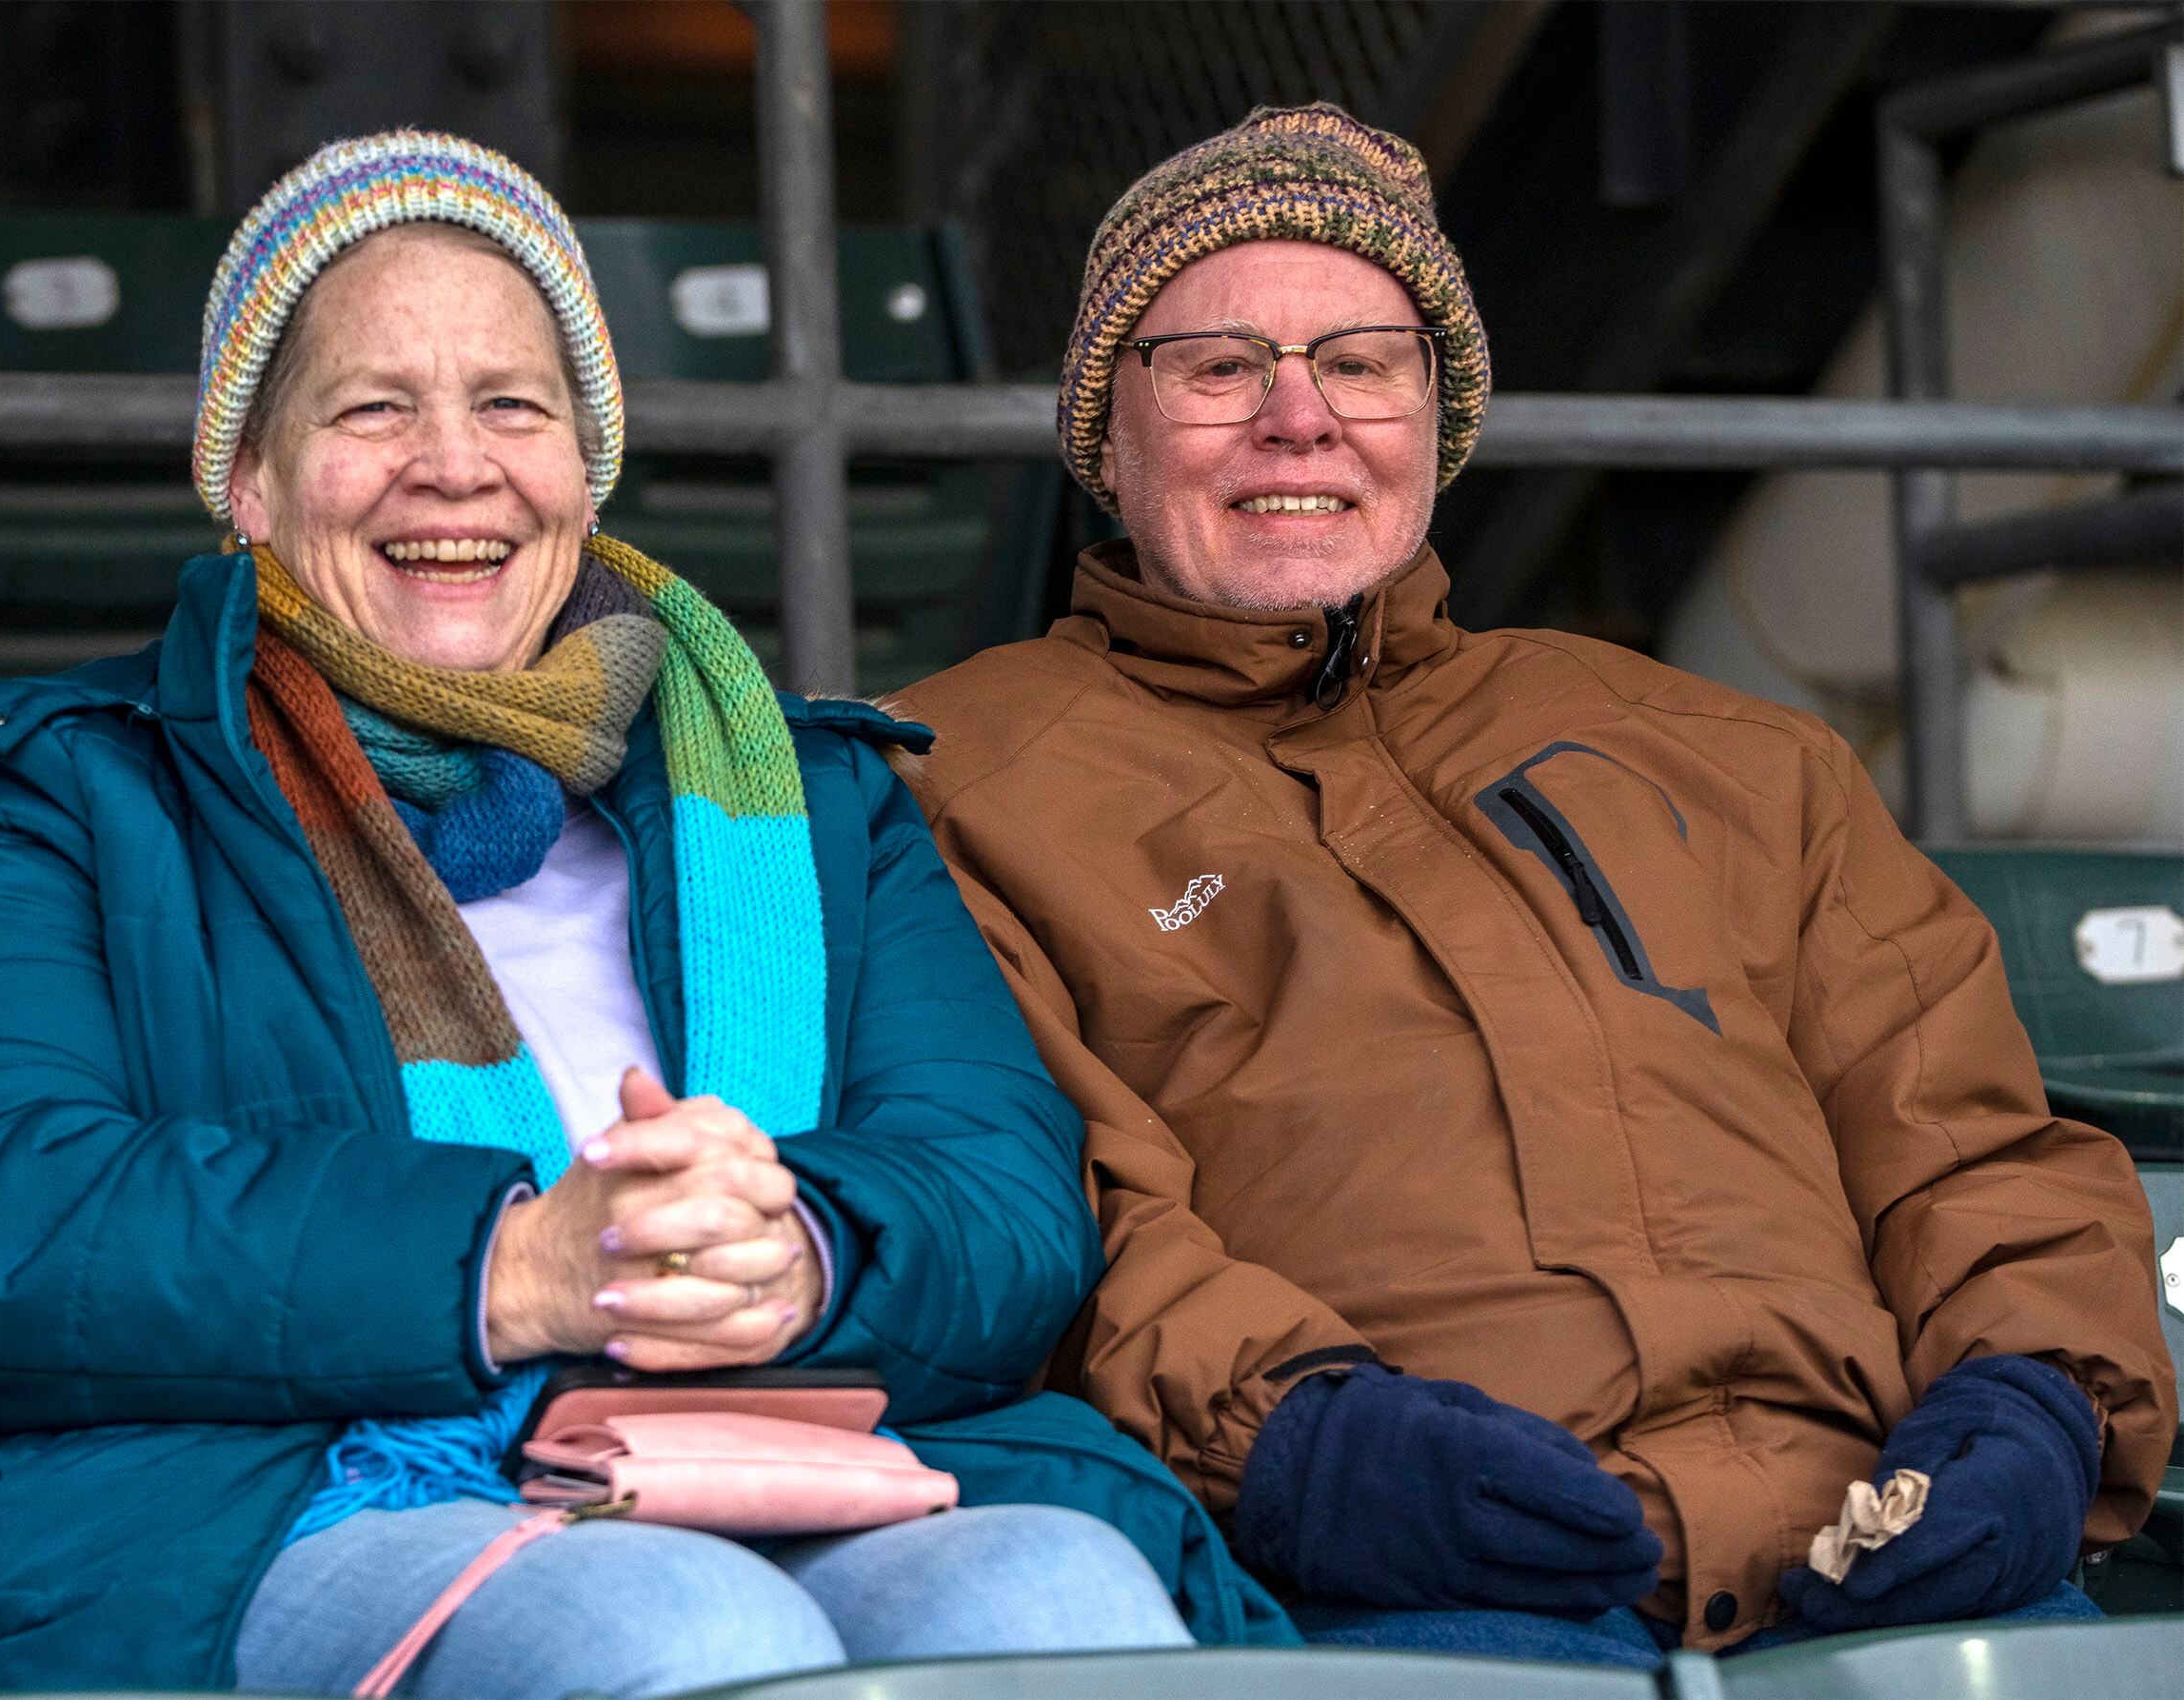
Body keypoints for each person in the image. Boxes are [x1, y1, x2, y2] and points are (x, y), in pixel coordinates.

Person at [0, 130, 1270, 1700]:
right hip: (273, 1501)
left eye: (515, 403)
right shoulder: (54, 792)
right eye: (372, 407)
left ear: (585, 464)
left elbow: (1003, 1191)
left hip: (768, 1439)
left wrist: (806, 1254)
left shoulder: (812, 794)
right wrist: (505, 1268)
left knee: (1064, 1595)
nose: (457, 462)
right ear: (247, 476)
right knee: (689, 1639)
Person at [896, 104, 2175, 1669]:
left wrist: (2037, 1397)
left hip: (1884, 1569)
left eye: (1362, 362)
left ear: (1437, 417)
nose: (1298, 419)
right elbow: (1029, 1205)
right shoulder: (953, 779)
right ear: (1110, 430)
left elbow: (1970, 1145)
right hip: (1395, 1593)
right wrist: (1304, 1447)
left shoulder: (1728, 750)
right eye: (1219, 366)